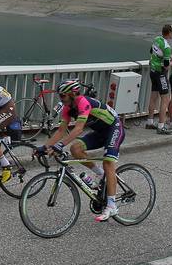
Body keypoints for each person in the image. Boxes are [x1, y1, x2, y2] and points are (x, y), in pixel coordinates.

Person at [42, 78, 124, 222]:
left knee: (108, 163)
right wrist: (44, 147)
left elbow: (79, 128)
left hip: (114, 128)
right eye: (59, 96)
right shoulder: (67, 108)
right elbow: (61, 130)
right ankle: (101, 175)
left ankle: (112, 206)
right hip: (100, 132)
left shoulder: (83, 102)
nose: (60, 99)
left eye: (62, 96)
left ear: (73, 94)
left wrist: (60, 145)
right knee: (75, 149)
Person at [146, 25, 172, 133]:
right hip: (161, 74)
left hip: (152, 71)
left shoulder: (157, 39)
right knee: (165, 99)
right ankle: (161, 126)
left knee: (153, 96)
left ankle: (150, 121)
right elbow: (167, 66)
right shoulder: (167, 47)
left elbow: (151, 51)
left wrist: (168, 56)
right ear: (169, 33)